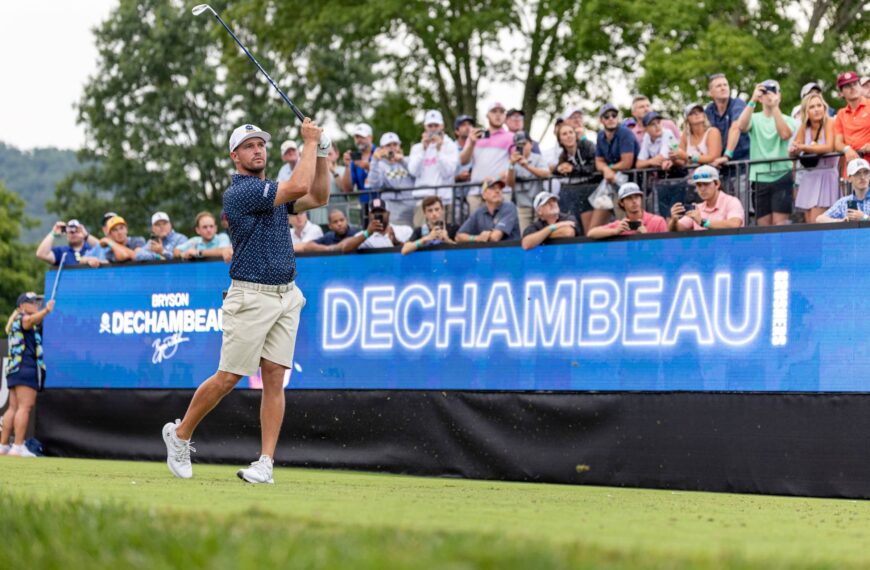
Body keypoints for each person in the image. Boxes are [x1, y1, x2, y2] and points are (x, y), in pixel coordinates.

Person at [162, 119, 331, 484]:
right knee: (229, 377)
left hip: (287, 294)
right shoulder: (240, 193)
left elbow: (317, 196)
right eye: (250, 145)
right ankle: (180, 434)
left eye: (261, 145)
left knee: (274, 377)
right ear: (235, 156)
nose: (258, 150)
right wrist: (310, 142)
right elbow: (299, 184)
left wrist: (323, 155)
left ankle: (265, 463)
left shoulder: (273, 193)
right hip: (250, 294)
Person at [734, 79, 796, 226]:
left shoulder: (788, 119)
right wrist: (753, 99)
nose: (769, 95)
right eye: (765, 92)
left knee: (780, 225)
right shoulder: (754, 118)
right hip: (759, 177)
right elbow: (740, 126)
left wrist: (774, 107)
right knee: (763, 226)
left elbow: (784, 134)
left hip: (781, 176)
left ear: (779, 95)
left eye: (773, 92)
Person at [0, 292, 54, 457]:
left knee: (13, 408)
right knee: (25, 407)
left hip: (15, 369)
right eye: (31, 302)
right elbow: (30, 321)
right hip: (25, 367)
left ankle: (3, 446)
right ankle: (18, 446)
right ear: (22, 306)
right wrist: (46, 311)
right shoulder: (23, 319)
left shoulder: (17, 321)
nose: (35, 304)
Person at [789, 92, 838, 223]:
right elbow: (794, 153)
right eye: (812, 107)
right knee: (809, 221)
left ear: (824, 107)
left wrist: (803, 147)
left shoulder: (830, 122)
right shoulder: (804, 127)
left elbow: (828, 147)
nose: (816, 109)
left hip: (826, 176)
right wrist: (793, 150)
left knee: (817, 222)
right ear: (806, 111)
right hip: (809, 177)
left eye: (819, 105)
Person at [459, 102, 513, 212]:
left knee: (499, 228)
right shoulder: (476, 135)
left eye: (501, 112)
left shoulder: (511, 137)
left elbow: (514, 164)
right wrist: (472, 143)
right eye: (494, 111)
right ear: (487, 115)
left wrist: (495, 179)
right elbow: (463, 161)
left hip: (500, 191)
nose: (498, 115)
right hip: (476, 192)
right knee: (477, 229)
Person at [408, 110, 459, 226]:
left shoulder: (450, 145)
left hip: (444, 200)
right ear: (425, 127)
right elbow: (413, 172)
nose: (433, 129)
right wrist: (423, 150)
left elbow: (448, 172)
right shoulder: (417, 148)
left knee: (444, 237)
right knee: (421, 237)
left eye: (436, 125)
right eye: (430, 125)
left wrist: (439, 150)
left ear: (442, 126)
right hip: (422, 201)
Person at [594, 103, 639, 229]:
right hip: (612, 185)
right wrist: (606, 169)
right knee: (599, 225)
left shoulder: (625, 133)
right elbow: (598, 162)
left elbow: (627, 163)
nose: (611, 118)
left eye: (614, 115)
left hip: (634, 185)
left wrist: (609, 168)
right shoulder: (600, 136)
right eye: (606, 116)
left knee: (633, 223)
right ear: (601, 120)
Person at [551, 122, 599, 234]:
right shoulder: (563, 155)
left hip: (591, 191)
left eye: (571, 132)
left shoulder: (587, 145)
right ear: (560, 140)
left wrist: (573, 169)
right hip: (575, 194)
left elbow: (595, 167)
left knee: (589, 231)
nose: (568, 136)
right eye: (564, 134)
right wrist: (559, 169)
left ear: (575, 134)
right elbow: (556, 171)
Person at [669, 165, 745, 231]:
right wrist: (674, 220)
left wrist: (703, 222)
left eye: (706, 184)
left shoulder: (732, 202)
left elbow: (734, 224)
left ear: (717, 184)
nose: (702, 189)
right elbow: (677, 229)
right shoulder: (697, 208)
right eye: (699, 185)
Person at [506, 130, 551, 233]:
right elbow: (510, 183)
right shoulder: (513, 161)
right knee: (525, 234)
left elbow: (546, 173)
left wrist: (527, 166)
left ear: (531, 144)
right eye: (518, 144)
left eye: (524, 143)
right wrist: (511, 165)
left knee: (540, 232)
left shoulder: (538, 158)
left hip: (540, 204)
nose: (522, 147)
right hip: (522, 204)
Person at [587, 183, 668, 239]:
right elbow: (591, 233)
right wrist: (615, 231)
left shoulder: (658, 221)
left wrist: (646, 237)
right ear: (621, 203)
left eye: (636, 197)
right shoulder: (621, 225)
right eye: (629, 198)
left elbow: (666, 250)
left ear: (641, 198)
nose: (634, 201)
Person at [368, 132, 415, 225]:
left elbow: (417, 175)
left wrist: (402, 161)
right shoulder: (379, 164)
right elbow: (374, 185)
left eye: (395, 144)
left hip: (413, 206)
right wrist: (374, 160)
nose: (392, 148)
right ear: (381, 149)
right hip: (393, 210)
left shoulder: (408, 160)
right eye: (388, 145)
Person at [456, 177, 521, 243]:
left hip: (510, 252)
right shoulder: (479, 212)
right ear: (484, 195)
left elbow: (495, 237)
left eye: (499, 188)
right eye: (492, 188)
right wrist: (477, 238)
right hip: (491, 252)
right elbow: (458, 237)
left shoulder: (509, 206)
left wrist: (485, 236)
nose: (497, 191)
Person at [705, 73, 750, 165]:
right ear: (710, 93)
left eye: (725, 85)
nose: (723, 88)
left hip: (742, 164)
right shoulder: (709, 110)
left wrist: (726, 156)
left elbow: (735, 128)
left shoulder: (738, 103)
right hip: (720, 165)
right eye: (718, 86)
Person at [341, 198, 413, 251]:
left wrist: (397, 243)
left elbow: (416, 250)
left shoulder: (404, 230)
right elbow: (346, 249)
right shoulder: (364, 235)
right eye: (374, 212)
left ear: (388, 214)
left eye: (381, 211)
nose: (378, 215)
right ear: (369, 215)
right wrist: (368, 233)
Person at [833, 71, 870, 169]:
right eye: (847, 86)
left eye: (855, 84)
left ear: (860, 86)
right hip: (854, 170)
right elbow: (837, 143)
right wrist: (847, 149)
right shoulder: (841, 114)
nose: (852, 87)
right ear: (841, 93)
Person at [817, 158, 870, 223]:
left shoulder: (845, 201)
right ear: (849, 178)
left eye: (866, 172)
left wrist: (864, 217)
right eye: (857, 173)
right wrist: (840, 221)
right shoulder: (844, 202)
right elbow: (819, 219)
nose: (862, 177)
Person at [35, 219, 102, 268]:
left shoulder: (92, 249)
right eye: (70, 232)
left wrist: (86, 236)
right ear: (66, 235)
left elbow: (105, 249)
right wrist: (53, 233)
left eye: (77, 231)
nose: (74, 233)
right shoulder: (62, 252)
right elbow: (41, 254)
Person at [338, 123, 375, 203]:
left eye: (362, 136)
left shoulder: (381, 153)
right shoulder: (354, 160)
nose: (359, 140)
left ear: (370, 137)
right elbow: (347, 189)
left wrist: (368, 167)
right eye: (356, 137)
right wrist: (347, 166)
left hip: (385, 206)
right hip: (365, 207)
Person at [453, 114, 475, 184]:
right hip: (456, 193)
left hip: (475, 192)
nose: (468, 127)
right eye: (463, 125)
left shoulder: (478, 147)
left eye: (470, 124)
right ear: (457, 131)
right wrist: (458, 177)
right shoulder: (450, 148)